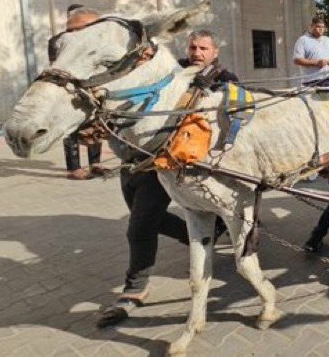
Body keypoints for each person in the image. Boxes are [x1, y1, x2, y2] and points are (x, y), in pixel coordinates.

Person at [99, 30, 236, 327]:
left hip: (171, 163)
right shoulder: (172, 72)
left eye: (203, 48)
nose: (197, 52)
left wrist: (209, 92)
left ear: (215, 52)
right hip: (133, 160)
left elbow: (233, 117)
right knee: (148, 219)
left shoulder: (225, 78)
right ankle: (214, 232)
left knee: (138, 228)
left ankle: (135, 289)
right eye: (192, 47)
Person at [48, 5, 104, 180]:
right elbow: (59, 65)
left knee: (96, 123)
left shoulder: (95, 39)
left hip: (92, 86)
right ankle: (73, 168)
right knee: (71, 127)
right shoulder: (57, 40)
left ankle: (95, 163)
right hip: (70, 87)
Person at [292, 15, 329, 86]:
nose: (321, 29)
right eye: (318, 27)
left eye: (323, 27)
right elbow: (297, 60)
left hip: (328, 79)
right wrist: (317, 63)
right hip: (311, 81)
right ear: (312, 26)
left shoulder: (327, 40)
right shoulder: (303, 40)